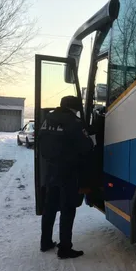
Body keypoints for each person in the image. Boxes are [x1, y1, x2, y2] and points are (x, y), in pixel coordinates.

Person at [39, 95, 93, 259]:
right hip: (68, 172)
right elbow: (87, 146)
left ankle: (45, 242)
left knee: (49, 207)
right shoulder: (74, 122)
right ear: (75, 108)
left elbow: (40, 142)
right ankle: (65, 248)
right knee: (68, 209)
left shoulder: (47, 120)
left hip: (51, 170)